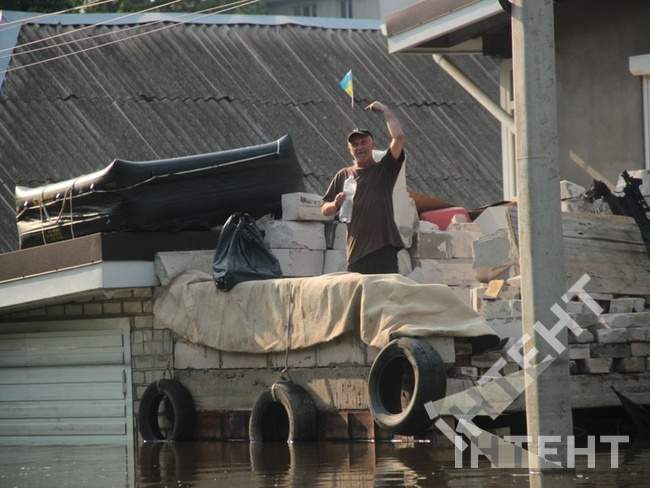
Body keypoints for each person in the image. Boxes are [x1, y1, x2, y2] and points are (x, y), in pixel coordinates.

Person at [320, 101, 406, 274]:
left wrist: (385, 110)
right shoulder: (343, 175)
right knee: (361, 299)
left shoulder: (384, 169)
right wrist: (335, 205)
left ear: (372, 144)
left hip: (384, 248)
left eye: (363, 142)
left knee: (385, 296)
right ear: (349, 149)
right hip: (356, 252)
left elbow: (399, 138)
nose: (360, 147)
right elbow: (324, 210)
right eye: (355, 144)